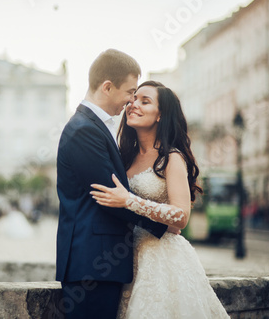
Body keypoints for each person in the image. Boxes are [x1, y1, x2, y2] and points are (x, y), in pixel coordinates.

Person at [90, 81, 230, 318]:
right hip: (128, 259)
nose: (134, 104)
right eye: (134, 99)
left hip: (163, 259)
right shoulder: (125, 156)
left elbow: (181, 216)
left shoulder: (171, 158)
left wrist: (129, 201)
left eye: (145, 101)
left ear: (160, 116)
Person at [56, 50, 174, 319]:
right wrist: (164, 221)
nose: (131, 101)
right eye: (130, 92)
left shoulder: (94, 126)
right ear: (107, 87)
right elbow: (110, 197)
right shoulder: (84, 130)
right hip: (92, 265)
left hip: (99, 265)